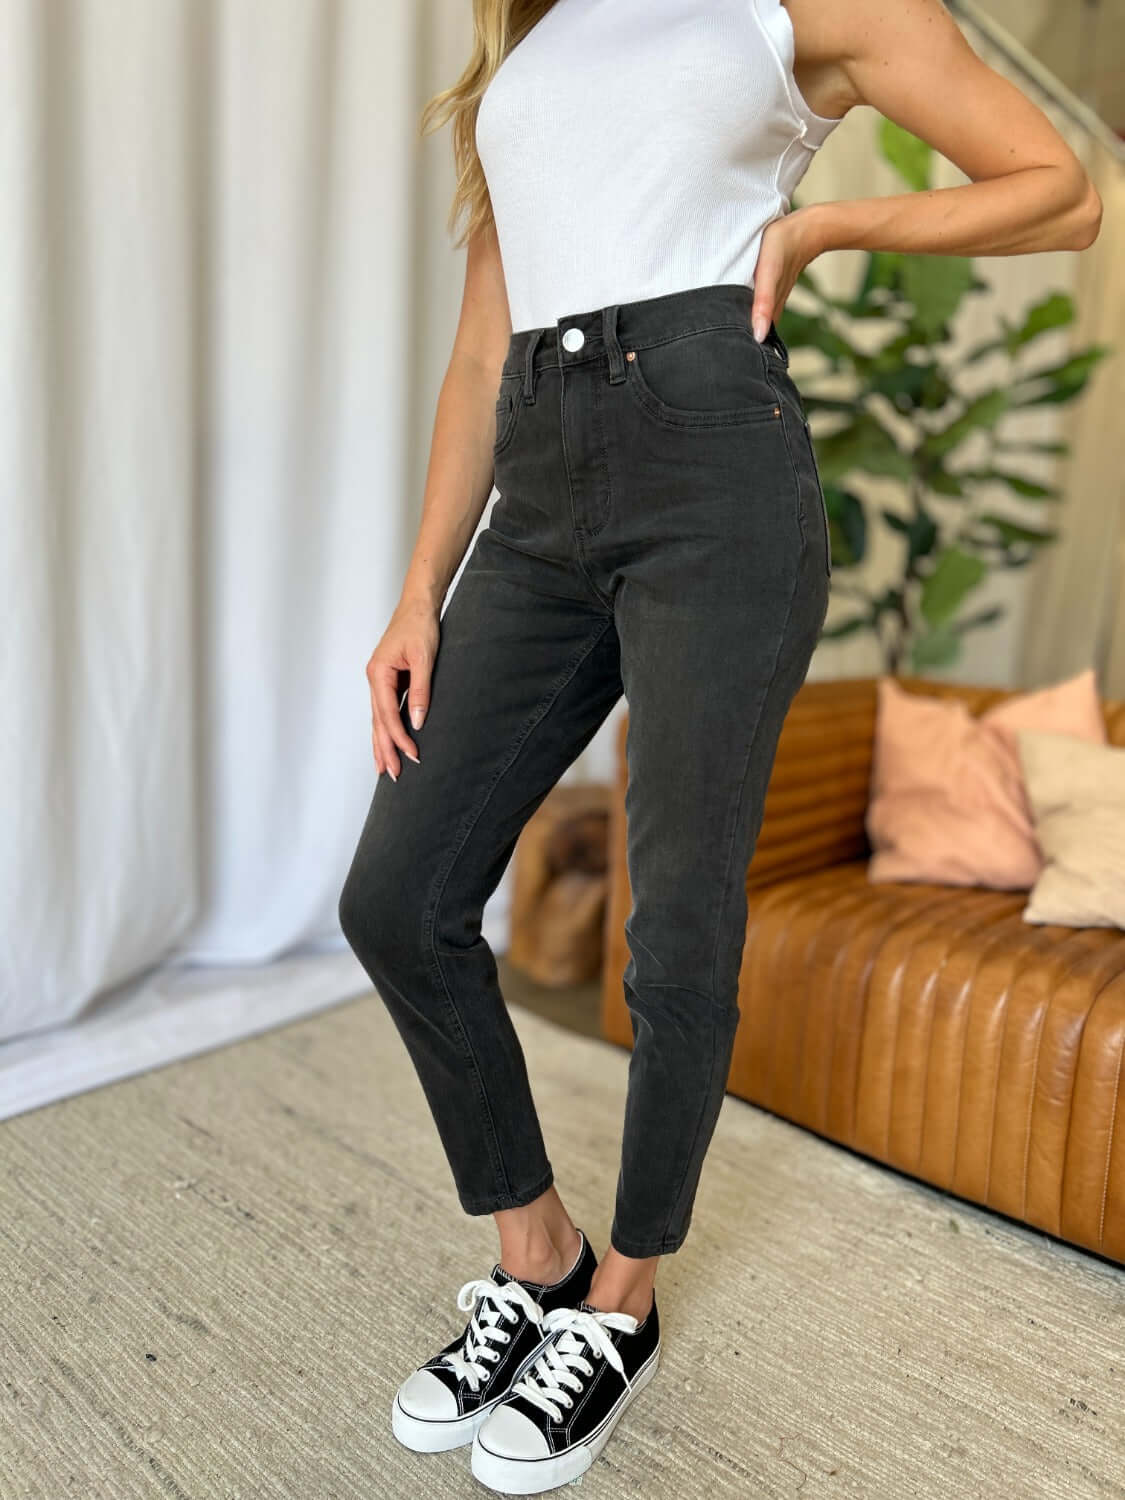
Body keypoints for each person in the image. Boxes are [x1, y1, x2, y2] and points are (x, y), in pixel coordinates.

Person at [337, 0, 1102, 1490]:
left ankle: (621, 1301)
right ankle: (538, 1252)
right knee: (398, 899)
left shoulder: (800, 5)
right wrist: (417, 589)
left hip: (713, 464)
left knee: (676, 927)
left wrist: (821, 232)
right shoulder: (535, 40)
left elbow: (1060, 190)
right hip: (539, 478)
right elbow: (481, 338)